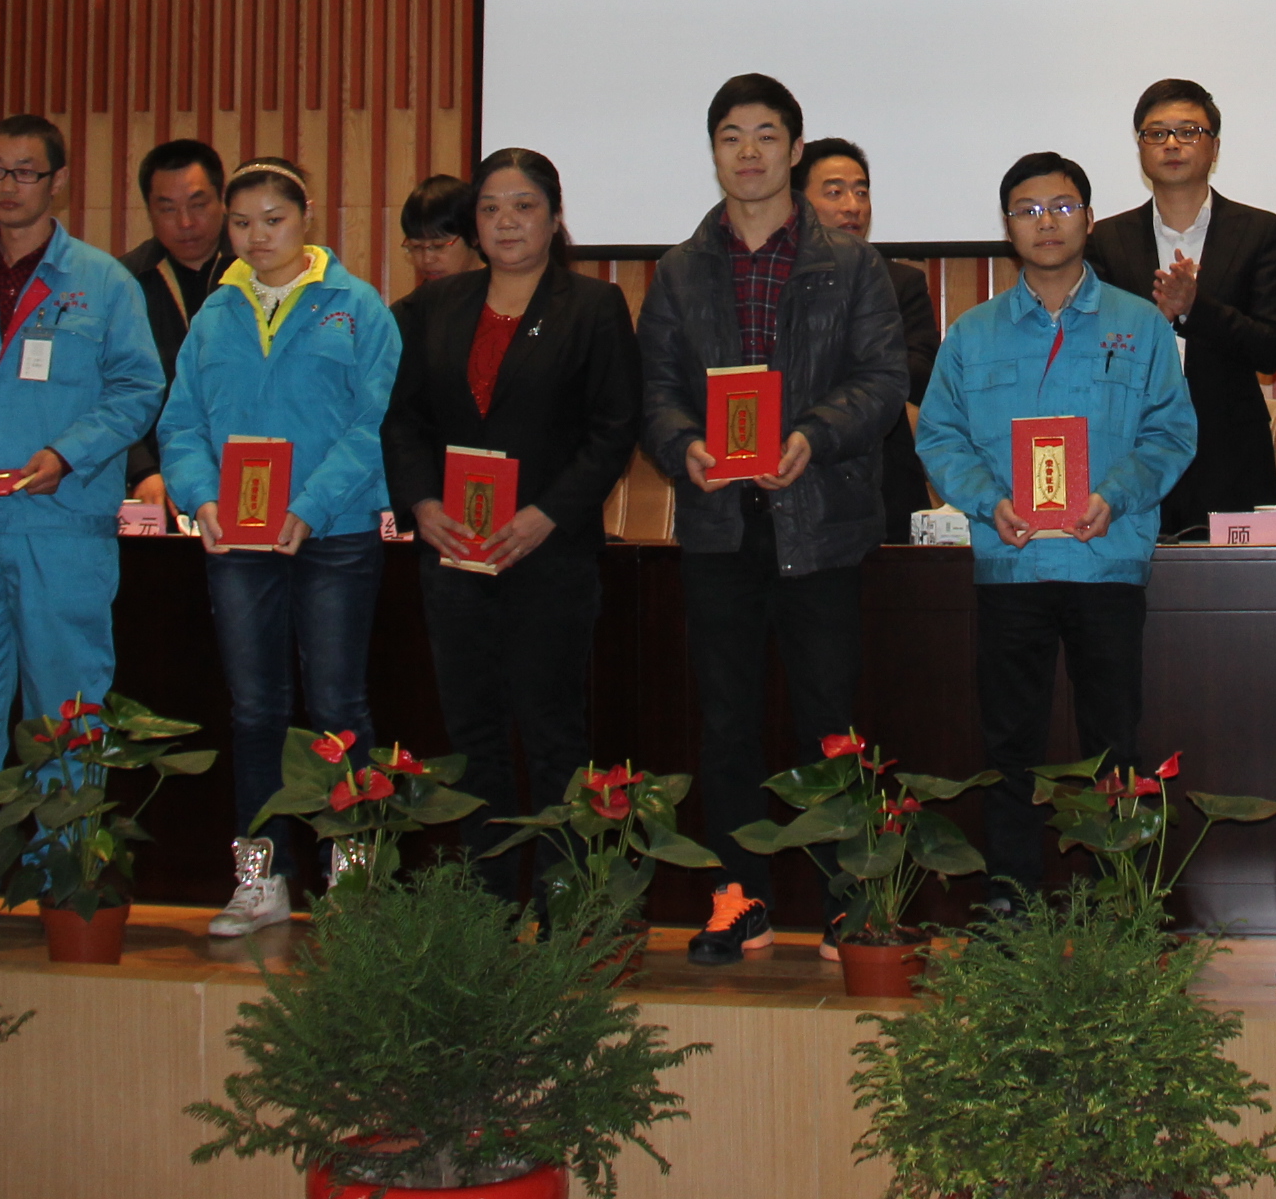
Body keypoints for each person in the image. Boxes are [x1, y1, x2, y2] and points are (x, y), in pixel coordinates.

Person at [635, 74, 906, 966]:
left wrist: (810, 436)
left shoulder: (852, 264)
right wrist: (684, 447)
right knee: (726, 722)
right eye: (730, 136)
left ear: (794, 147)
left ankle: (846, 902)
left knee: (829, 720)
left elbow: (881, 381)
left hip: (820, 519)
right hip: (719, 524)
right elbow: (656, 391)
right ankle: (737, 898)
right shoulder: (680, 269)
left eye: (765, 134)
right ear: (713, 151)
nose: (747, 152)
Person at [0, 113, 164, 917]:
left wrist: (69, 455)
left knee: (68, 709)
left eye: (25, 172)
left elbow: (138, 388)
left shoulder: (102, 283)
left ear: (58, 182)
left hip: (62, 525)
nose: (8, 187)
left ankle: (67, 871)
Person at [914, 152, 1196, 911]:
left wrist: (1115, 495)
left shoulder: (1139, 324)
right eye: (1029, 210)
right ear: (1007, 227)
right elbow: (939, 436)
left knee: (1114, 743)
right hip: (1012, 566)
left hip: (1108, 562)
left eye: (1063, 207)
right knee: (1010, 743)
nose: (1047, 223)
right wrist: (987, 502)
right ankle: (1010, 896)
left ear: (1090, 219)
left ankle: (1120, 899)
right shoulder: (972, 334)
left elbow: (1171, 433)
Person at [153, 156, 403, 937]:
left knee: (337, 707)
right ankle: (259, 879)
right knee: (256, 710)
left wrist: (310, 505)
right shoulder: (214, 315)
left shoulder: (357, 308)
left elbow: (377, 423)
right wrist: (199, 498)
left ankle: (351, 877)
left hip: (336, 533)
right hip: (238, 539)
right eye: (241, 222)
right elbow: (180, 423)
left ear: (307, 217)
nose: (257, 236)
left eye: (274, 220)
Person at [383, 148, 641, 879]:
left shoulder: (592, 307)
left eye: (524, 206)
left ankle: (566, 905)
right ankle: (489, 905)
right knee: (471, 738)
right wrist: (423, 503)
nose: (506, 222)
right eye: (490, 208)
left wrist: (544, 516)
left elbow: (613, 429)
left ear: (555, 218)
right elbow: (402, 422)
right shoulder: (431, 309)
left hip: (548, 556)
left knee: (554, 734)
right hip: (454, 554)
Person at [1083, 80, 1276, 538]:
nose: (1172, 144)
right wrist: (1150, 322)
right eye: (1156, 133)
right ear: (1140, 147)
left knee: (1234, 581)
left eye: (1189, 132)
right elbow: (1094, 350)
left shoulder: (1259, 231)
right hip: (1132, 447)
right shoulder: (1107, 239)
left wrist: (1196, 309)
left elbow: (1271, 349)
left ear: (1214, 147)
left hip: (1231, 450)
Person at [793, 138, 943, 533]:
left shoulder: (901, 283)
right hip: (796, 477)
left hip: (884, 480)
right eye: (835, 192)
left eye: (861, 192)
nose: (853, 206)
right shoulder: (778, 285)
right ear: (797, 202)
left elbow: (919, 371)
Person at [120, 138, 231, 499]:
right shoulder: (124, 283)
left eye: (198, 205)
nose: (185, 222)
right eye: (167, 209)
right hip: (155, 481)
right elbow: (107, 387)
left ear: (222, 200)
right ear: (149, 211)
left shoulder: (258, 272)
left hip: (249, 472)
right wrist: (141, 470)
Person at [399, 173, 484, 289]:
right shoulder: (417, 300)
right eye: (416, 246)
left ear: (474, 236)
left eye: (438, 246)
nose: (427, 259)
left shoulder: (502, 296)